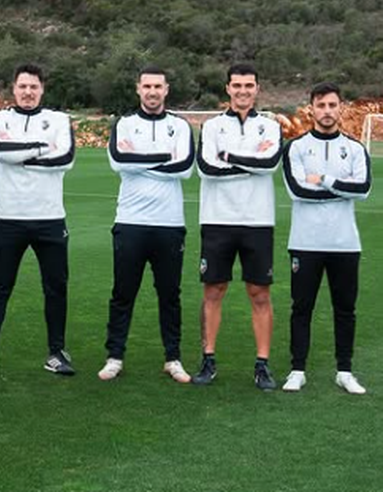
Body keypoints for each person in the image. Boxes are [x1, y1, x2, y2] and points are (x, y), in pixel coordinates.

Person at [0, 63, 76, 376]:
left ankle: (57, 352)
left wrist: (23, 157)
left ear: (42, 89)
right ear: (13, 89)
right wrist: (44, 148)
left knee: (56, 286)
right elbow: (1, 150)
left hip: (50, 218)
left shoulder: (59, 119)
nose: (28, 92)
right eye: (22, 86)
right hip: (7, 217)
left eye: (33, 87)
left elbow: (66, 159)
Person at [99, 67, 195, 383]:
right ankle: (114, 356)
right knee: (123, 293)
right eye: (147, 86)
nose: (152, 91)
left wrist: (139, 161)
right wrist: (163, 158)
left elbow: (184, 167)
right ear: (138, 89)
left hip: (169, 224)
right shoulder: (124, 124)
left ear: (166, 90)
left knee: (170, 294)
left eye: (158, 86)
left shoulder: (180, 126)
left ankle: (173, 358)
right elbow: (117, 161)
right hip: (130, 222)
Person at [193, 63, 282, 390]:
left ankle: (262, 365)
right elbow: (206, 168)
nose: (243, 91)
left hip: (258, 220)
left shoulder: (271, 127)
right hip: (217, 219)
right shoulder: (212, 126)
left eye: (249, 85)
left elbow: (270, 163)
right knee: (213, 290)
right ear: (227, 89)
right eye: (237, 85)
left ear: (257, 88)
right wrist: (249, 161)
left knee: (259, 293)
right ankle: (208, 359)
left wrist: (229, 155)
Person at [280, 82, 371, 395]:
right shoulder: (296, 147)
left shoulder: (356, 148)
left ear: (341, 108)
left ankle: (344, 371)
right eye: (321, 105)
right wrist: (340, 188)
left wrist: (325, 180)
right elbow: (298, 190)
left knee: (345, 309)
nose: (327, 111)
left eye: (333, 105)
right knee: (301, 308)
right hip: (305, 242)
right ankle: (297, 369)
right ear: (312, 109)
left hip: (345, 243)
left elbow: (363, 190)